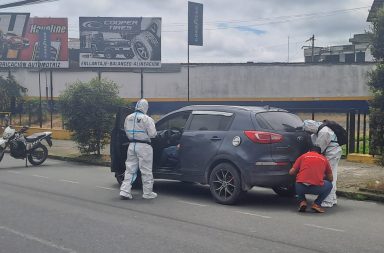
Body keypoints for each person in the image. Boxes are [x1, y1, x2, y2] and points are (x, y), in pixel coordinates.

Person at [119, 99, 158, 200]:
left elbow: (126, 131)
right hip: (144, 146)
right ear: (145, 107)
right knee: (146, 170)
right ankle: (147, 193)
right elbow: (153, 134)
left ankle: (124, 191)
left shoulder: (128, 117)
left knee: (130, 169)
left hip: (132, 145)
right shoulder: (147, 119)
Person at [303, 119, 342, 208]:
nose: (308, 133)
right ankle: (333, 199)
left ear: (311, 127)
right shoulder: (319, 131)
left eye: (308, 130)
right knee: (333, 175)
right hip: (332, 153)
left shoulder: (324, 132)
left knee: (329, 176)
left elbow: (318, 149)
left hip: (331, 154)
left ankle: (328, 201)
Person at [289, 145, 334, 213]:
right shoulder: (324, 159)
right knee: (329, 185)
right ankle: (316, 204)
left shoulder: (303, 156)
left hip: (301, 187)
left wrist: (300, 173)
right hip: (317, 188)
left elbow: (291, 172)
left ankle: (302, 202)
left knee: (297, 180)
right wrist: (322, 177)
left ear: (309, 151)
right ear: (320, 153)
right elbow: (331, 178)